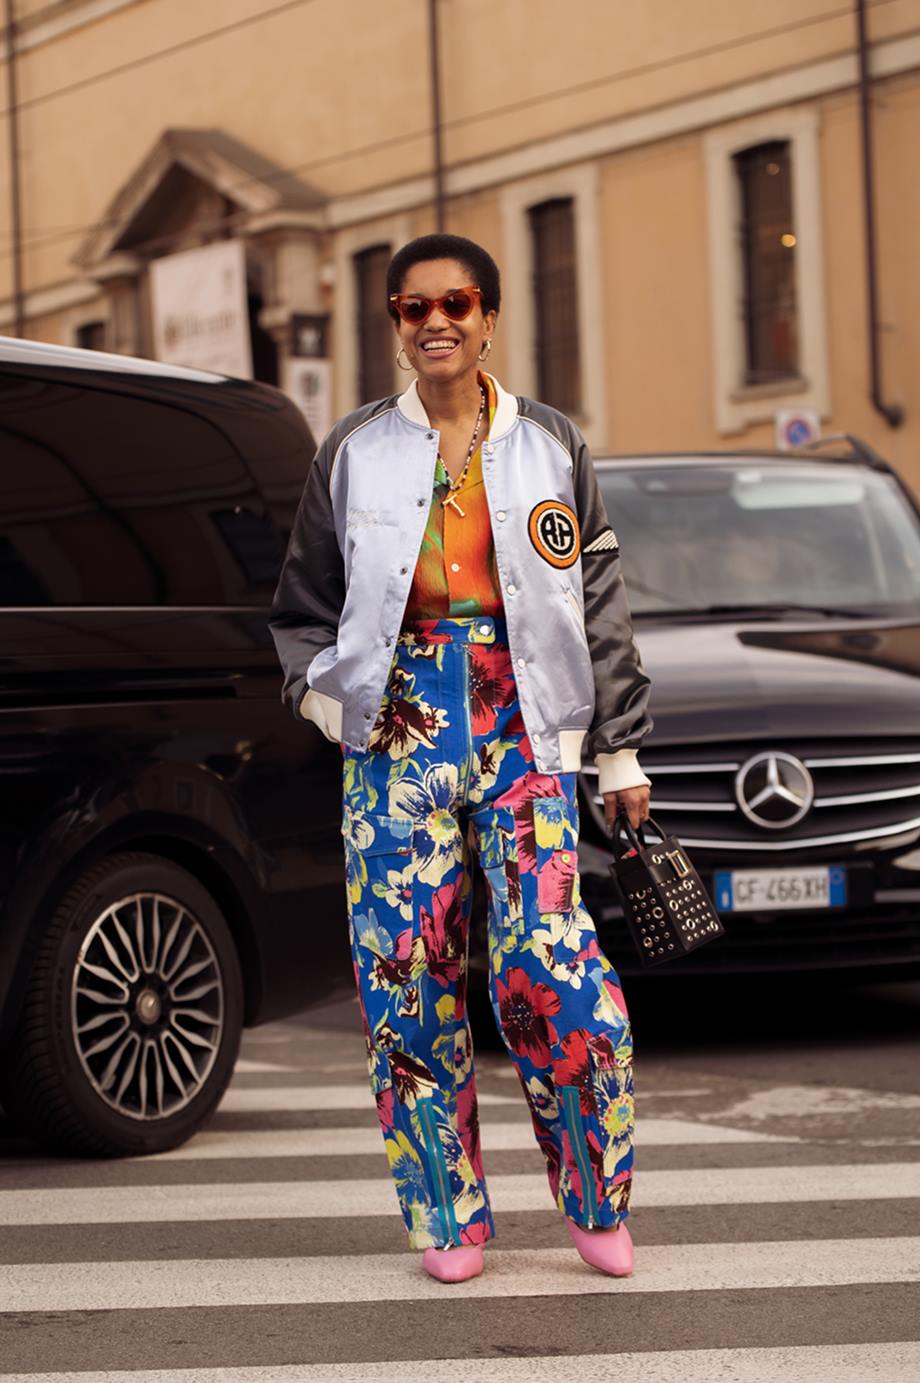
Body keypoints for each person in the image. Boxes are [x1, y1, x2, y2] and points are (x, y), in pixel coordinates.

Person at [269, 234, 652, 1284]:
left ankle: (593, 1193)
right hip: (394, 727)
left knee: (550, 967)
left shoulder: (548, 441)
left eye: (456, 301)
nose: (434, 322)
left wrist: (615, 751)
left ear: (487, 316)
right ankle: (446, 1216)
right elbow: (300, 604)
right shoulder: (351, 450)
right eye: (412, 308)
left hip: (523, 719)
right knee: (407, 976)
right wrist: (322, 702)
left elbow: (598, 600)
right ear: (394, 323)